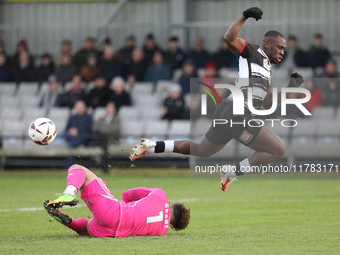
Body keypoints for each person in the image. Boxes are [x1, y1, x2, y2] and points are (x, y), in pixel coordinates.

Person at [130, 7, 304, 191]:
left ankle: (152, 146)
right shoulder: (253, 52)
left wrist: (290, 88)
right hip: (238, 114)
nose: (283, 52)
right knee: (277, 149)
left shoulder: (266, 69)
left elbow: (266, 103)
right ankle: (233, 172)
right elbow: (229, 38)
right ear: (267, 44)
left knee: (202, 150)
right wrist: (245, 15)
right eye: (280, 47)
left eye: (284, 49)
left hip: (231, 112)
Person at [43, 164, 190, 238]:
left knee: (77, 168)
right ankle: (71, 222)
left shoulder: (161, 195)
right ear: (172, 226)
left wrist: (123, 205)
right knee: (88, 227)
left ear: (172, 205)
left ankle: (69, 193)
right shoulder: (162, 231)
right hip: (112, 232)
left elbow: (128, 194)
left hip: (115, 212)